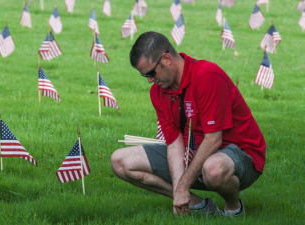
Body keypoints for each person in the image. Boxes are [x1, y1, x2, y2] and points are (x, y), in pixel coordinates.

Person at [110, 31, 266, 217]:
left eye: (151, 73)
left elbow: (214, 140)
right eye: (146, 76)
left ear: (166, 59)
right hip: (195, 153)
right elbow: (174, 144)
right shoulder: (158, 93)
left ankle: (233, 208)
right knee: (120, 161)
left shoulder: (207, 76)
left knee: (213, 169)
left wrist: (184, 184)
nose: (150, 80)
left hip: (239, 155)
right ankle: (196, 205)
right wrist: (179, 191)